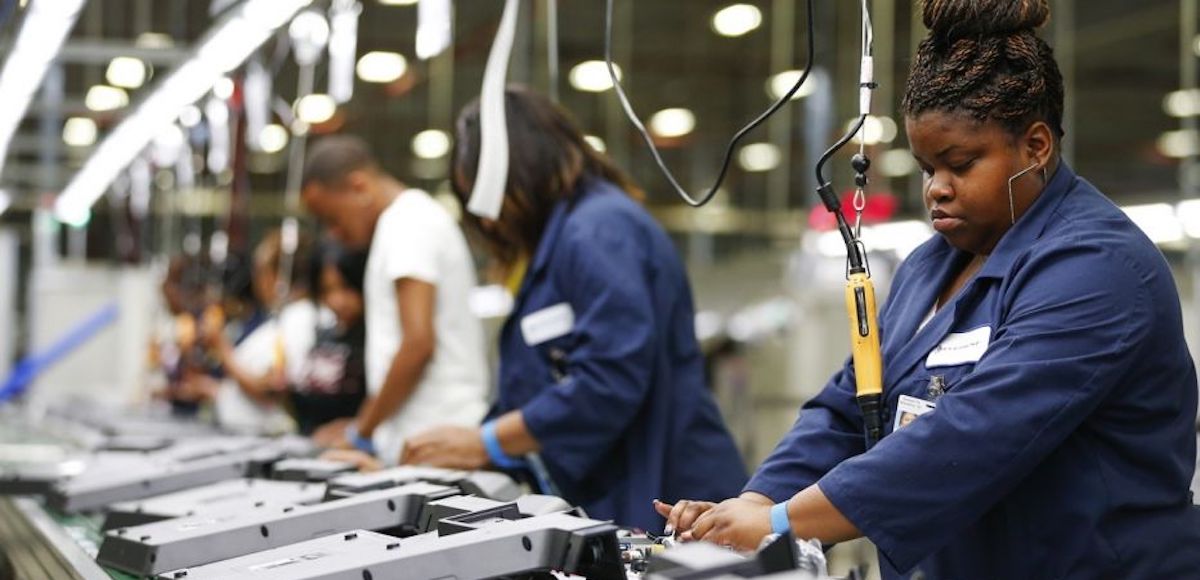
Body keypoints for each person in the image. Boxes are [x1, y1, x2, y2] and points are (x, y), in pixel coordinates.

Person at [659, 1, 1200, 577]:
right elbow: (849, 405)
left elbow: (973, 435)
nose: (936, 189)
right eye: (925, 169)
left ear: (1036, 147)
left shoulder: (1098, 268)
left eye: (960, 164)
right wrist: (758, 501)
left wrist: (783, 523)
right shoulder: (928, 268)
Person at [401, 87, 747, 532]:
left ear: (525, 168)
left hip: (670, 493)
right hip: (619, 487)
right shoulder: (564, 240)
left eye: (491, 199)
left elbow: (610, 378)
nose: (488, 220)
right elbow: (539, 383)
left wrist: (486, 442)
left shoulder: (599, 230)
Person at [300, 136, 489, 464]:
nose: (333, 234)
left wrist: (363, 433)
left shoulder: (408, 225)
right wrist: (363, 423)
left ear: (359, 187)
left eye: (332, 218)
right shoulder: (404, 222)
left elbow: (417, 344)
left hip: (436, 438)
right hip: (424, 436)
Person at [209, 229, 317, 433]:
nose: (257, 281)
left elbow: (270, 390)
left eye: (261, 271)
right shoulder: (282, 319)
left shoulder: (299, 319)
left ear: (280, 277)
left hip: (267, 440)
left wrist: (221, 347)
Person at [290, 243, 368, 436]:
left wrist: (355, 429)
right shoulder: (324, 336)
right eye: (326, 291)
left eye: (346, 287)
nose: (337, 300)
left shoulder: (377, 342)